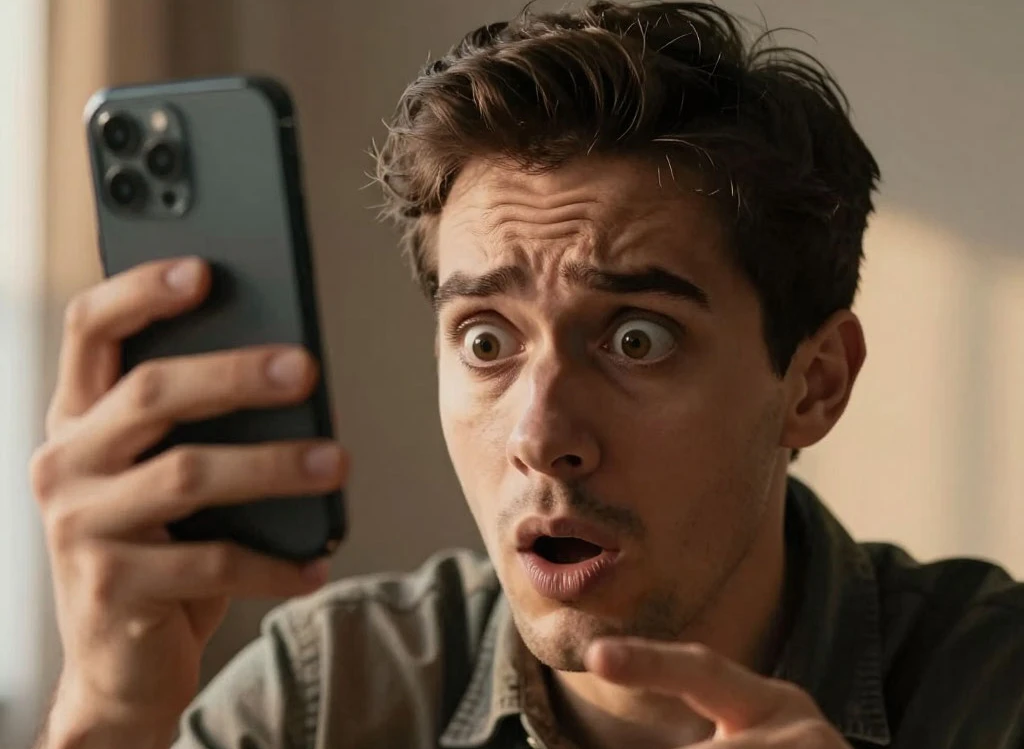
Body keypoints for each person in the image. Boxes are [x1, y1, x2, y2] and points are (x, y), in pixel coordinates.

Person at [31, 2, 1024, 748]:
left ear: (814, 384)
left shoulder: (994, 688)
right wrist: (108, 712)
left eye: (637, 339)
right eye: (484, 340)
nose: (540, 435)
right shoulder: (326, 696)